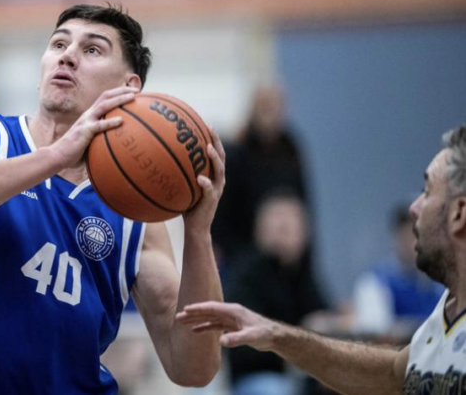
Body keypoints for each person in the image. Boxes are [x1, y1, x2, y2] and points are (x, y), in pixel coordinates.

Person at [0, 4, 227, 394]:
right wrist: (53, 157)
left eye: (93, 50)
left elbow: (192, 367)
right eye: (58, 44)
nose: (67, 55)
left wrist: (199, 233)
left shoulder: (136, 217)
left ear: (128, 89)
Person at [177, 125, 466, 395]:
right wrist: (279, 337)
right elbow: (392, 373)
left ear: (458, 214)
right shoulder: (447, 307)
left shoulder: (303, 272)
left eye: (427, 192)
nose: (414, 208)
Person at [224, 190, 331, 395]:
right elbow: (242, 347)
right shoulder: (246, 274)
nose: (285, 228)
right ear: (259, 229)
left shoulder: (303, 273)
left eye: (293, 221)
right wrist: (298, 338)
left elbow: (321, 314)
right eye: (278, 221)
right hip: (258, 377)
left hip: (303, 376)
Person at [212, 82, 310, 262]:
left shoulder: (291, 150)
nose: (269, 114)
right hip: (242, 254)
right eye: (264, 106)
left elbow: (304, 205)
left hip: (288, 256)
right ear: (253, 108)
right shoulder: (236, 152)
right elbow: (221, 212)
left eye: (274, 107)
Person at [352, 203, 444, 339]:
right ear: (397, 237)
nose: (414, 243)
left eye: (420, 234)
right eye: (409, 234)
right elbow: (376, 335)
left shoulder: (441, 281)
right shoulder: (374, 283)